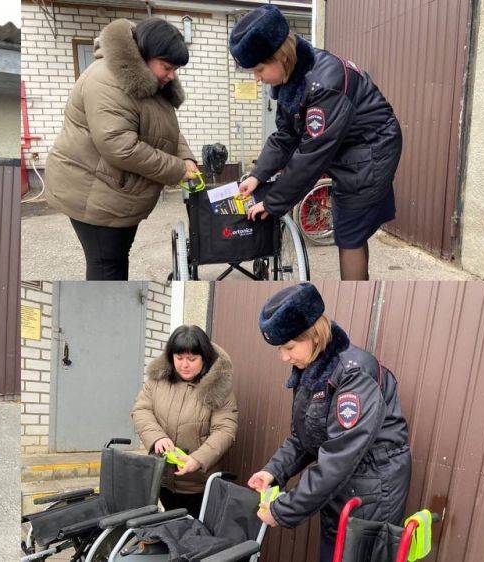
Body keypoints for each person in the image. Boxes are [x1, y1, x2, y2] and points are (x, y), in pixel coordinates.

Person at [229, 5, 403, 280]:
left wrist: (274, 203)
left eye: (260, 69)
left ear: (281, 56)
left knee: (349, 232)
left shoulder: (325, 84)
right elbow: (285, 136)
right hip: (347, 146)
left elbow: (311, 156)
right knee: (351, 228)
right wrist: (258, 174)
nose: (257, 78)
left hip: (372, 148)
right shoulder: (291, 76)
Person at [247, 283, 411, 561]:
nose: (283, 357)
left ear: (315, 333)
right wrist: (273, 471)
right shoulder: (313, 368)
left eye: (288, 347)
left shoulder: (354, 374)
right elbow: (304, 438)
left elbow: (340, 456)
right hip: (342, 488)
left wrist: (284, 509)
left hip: (371, 493)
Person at [44, 17, 198, 280]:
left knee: (115, 260)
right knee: (106, 266)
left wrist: (186, 157)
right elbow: (119, 146)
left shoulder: (148, 81)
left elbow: (165, 127)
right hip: (93, 193)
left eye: (175, 69)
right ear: (145, 54)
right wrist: (176, 169)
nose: (172, 75)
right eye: (168, 67)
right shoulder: (107, 80)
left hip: (116, 192)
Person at [131, 325, 238, 517]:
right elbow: (141, 410)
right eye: (179, 358)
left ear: (204, 357)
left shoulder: (219, 387)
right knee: (169, 528)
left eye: (192, 359)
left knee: (194, 534)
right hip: (162, 477)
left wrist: (198, 459)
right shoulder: (157, 380)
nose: (184, 365)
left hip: (199, 484)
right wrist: (157, 438)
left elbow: (225, 429)